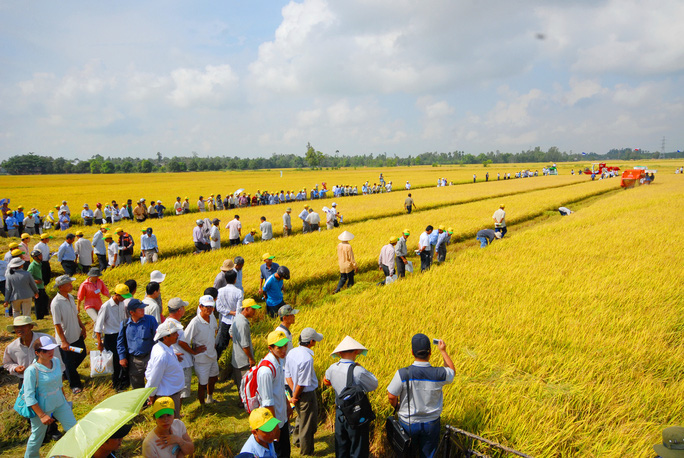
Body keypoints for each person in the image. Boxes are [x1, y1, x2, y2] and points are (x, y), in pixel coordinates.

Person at [387, 334, 455, 458]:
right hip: (431, 424)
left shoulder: (403, 374)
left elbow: (391, 396)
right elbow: (452, 371)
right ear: (430, 352)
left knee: (407, 454)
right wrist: (443, 351)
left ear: (412, 352)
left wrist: (396, 406)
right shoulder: (439, 373)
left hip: (408, 423)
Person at [323, 336, 378, 458]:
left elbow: (326, 381)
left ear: (340, 353)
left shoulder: (332, 368)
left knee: (341, 448)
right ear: (356, 351)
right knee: (358, 449)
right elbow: (374, 384)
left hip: (339, 413)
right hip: (355, 413)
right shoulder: (358, 371)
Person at [23, 336, 78, 458]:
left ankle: (76, 453)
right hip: (42, 407)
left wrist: (64, 399)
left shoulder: (56, 361)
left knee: (73, 428)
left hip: (60, 402)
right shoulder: (32, 371)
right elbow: (29, 396)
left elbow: (59, 382)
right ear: (37, 353)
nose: (50, 352)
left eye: (52, 349)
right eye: (46, 351)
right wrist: (42, 415)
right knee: (37, 437)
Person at [284, 328, 324, 456]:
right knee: (307, 422)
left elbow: (288, 375)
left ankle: (296, 440)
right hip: (305, 394)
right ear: (311, 341)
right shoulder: (307, 359)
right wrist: (296, 396)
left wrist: (293, 392)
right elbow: (302, 383)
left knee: (301, 417)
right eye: (315, 340)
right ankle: (306, 452)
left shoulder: (292, 352)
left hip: (294, 390)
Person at [257, 330, 292, 458]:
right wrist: (274, 427)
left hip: (281, 418)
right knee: (278, 453)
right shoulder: (266, 370)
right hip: (274, 421)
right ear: (270, 348)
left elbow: (279, 389)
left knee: (285, 451)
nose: (284, 350)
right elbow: (267, 402)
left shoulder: (278, 361)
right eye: (279, 347)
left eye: (285, 346)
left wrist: (287, 405)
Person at [51, 275, 87, 393]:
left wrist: (82, 327)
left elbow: (75, 314)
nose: (71, 286)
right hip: (66, 339)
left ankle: (67, 373)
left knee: (82, 353)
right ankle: (75, 385)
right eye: (68, 284)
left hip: (76, 334)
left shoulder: (71, 297)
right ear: (61, 287)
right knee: (69, 362)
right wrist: (63, 341)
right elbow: (57, 324)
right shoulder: (56, 303)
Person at [183, 295, 219, 405]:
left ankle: (210, 398)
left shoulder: (211, 316)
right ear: (200, 307)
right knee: (202, 383)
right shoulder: (195, 322)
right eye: (206, 307)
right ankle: (202, 404)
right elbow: (183, 341)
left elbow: (215, 330)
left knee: (213, 378)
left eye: (211, 307)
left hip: (212, 356)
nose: (209, 309)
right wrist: (193, 351)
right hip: (201, 359)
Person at [146, 320, 186, 418]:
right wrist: (151, 395)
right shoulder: (162, 355)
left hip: (171, 393)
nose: (177, 335)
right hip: (167, 396)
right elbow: (154, 377)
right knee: (170, 425)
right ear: (165, 337)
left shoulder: (165, 348)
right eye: (174, 333)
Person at [95, 284, 131, 391]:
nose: (124, 298)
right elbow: (98, 326)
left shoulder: (121, 303)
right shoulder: (106, 306)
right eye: (123, 296)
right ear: (117, 295)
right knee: (115, 361)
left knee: (123, 357)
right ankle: (116, 384)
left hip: (121, 334)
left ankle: (123, 381)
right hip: (111, 337)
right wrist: (99, 342)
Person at [117, 298, 158, 389]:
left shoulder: (151, 320)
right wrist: (122, 357)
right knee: (136, 384)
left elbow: (158, 338)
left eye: (143, 308)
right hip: (134, 360)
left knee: (154, 381)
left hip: (149, 357)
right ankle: (142, 403)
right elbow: (120, 341)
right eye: (140, 309)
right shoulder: (124, 324)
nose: (143, 311)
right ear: (132, 312)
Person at [230, 298, 261, 398]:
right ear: (246, 309)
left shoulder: (237, 318)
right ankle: (245, 404)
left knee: (240, 383)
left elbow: (231, 333)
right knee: (245, 384)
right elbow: (245, 345)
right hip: (243, 361)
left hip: (236, 358)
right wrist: (251, 358)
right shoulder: (243, 324)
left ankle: (242, 402)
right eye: (253, 309)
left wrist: (237, 342)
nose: (255, 312)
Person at [215, 270, 243, 360]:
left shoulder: (220, 291)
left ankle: (218, 360)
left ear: (226, 279)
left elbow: (218, 308)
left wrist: (229, 312)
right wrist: (234, 313)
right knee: (238, 344)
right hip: (235, 322)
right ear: (235, 279)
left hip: (224, 321)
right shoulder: (238, 292)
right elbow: (238, 310)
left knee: (222, 344)